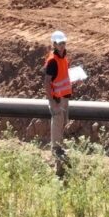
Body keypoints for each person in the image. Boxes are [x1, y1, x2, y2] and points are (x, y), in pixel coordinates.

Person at [43, 30, 72, 173]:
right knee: (57, 121)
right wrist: (52, 102)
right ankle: (56, 150)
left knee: (63, 122)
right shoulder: (52, 61)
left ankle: (60, 147)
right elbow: (47, 82)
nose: (62, 46)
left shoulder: (64, 58)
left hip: (65, 96)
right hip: (56, 98)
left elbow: (63, 75)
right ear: (54, 44)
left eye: (63, 43)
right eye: (59, 43)